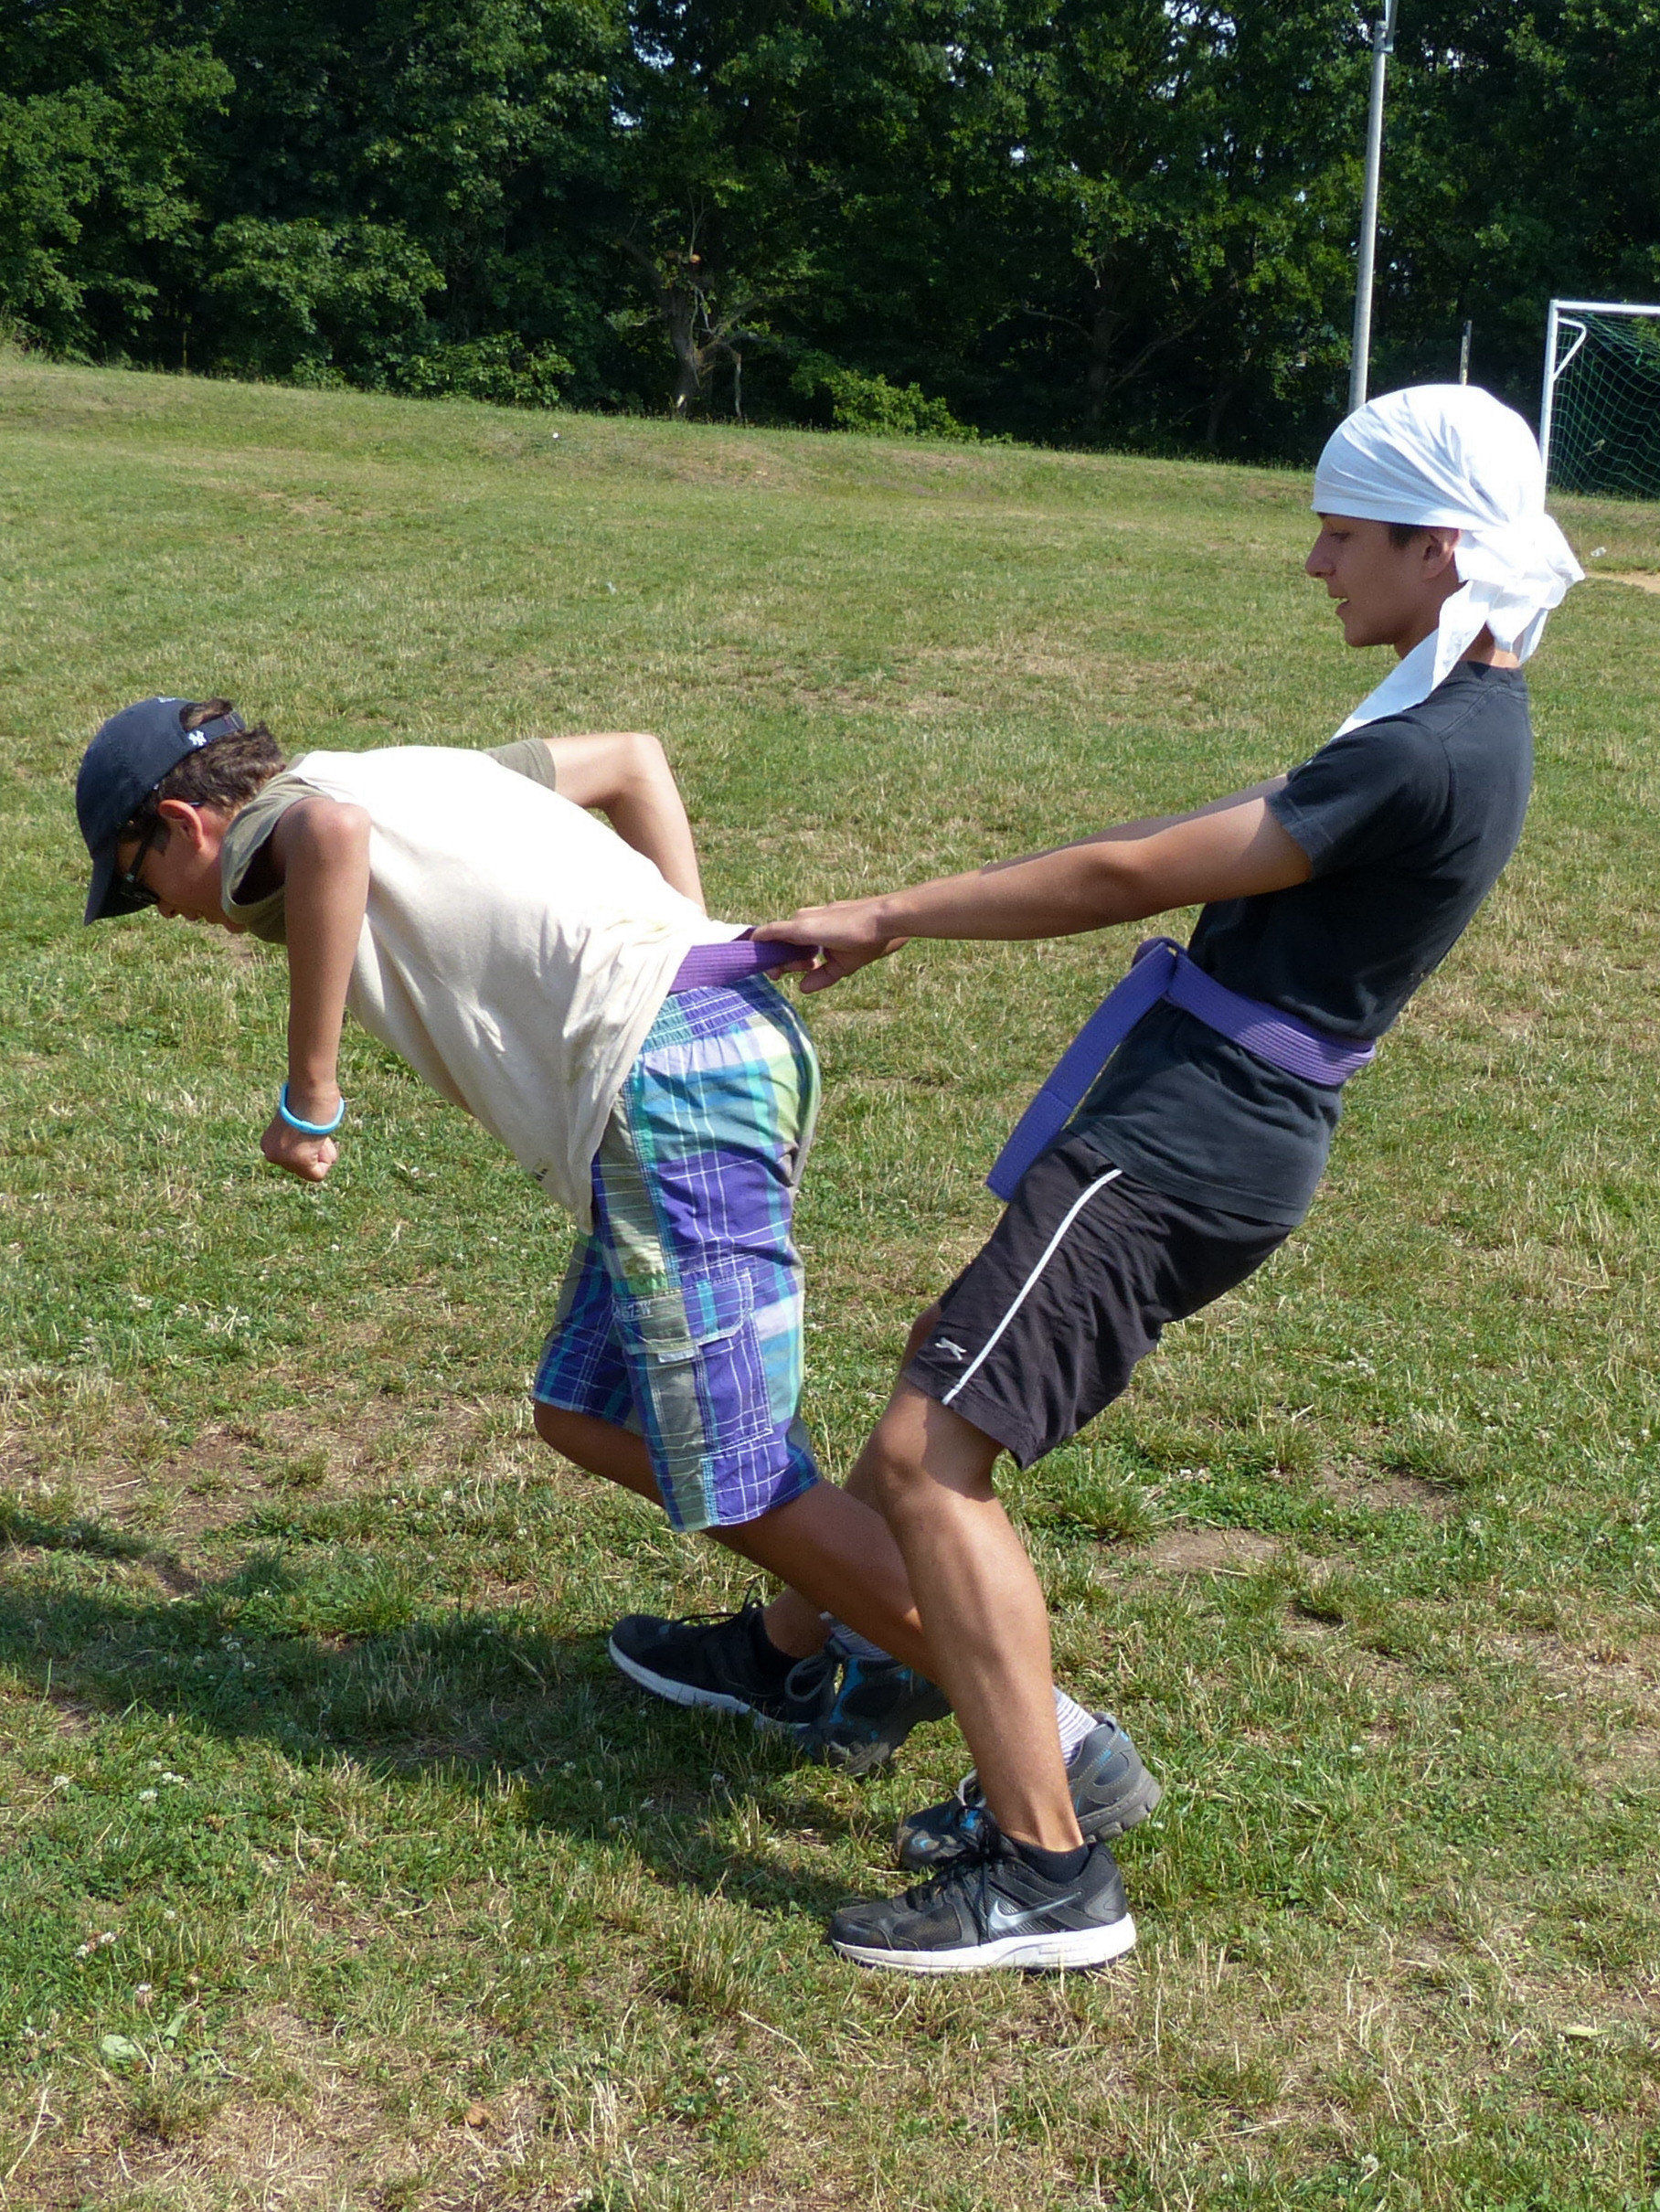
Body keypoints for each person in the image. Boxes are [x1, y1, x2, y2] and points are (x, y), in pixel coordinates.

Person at [616, 384, 1583, 1973]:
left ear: (1439, 550)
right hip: (1213, 1126)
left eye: (1342, 535)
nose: (1317, 564)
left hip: (1185, 1143)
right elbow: (1209, 835)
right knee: (943, 1378)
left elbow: (1132, 873)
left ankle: (1049, 1871)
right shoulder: (1458, 717)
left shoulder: (1432, 748)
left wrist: (890, 911)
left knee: (929, 1458)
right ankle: (802, 1655)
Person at [71, 704, 976, 1764]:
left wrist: (310, 1094)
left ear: (184, 822)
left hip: (666, 1084)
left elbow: (328, 840)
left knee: (730, 1469)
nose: (168, 912)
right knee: (587, 1408)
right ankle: (825, 1632)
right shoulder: (409, 770)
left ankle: (1035, 1727)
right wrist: (683, 945)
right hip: (700, 1046)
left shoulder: (288, 819)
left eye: (140, 881)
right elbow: (633, 760)